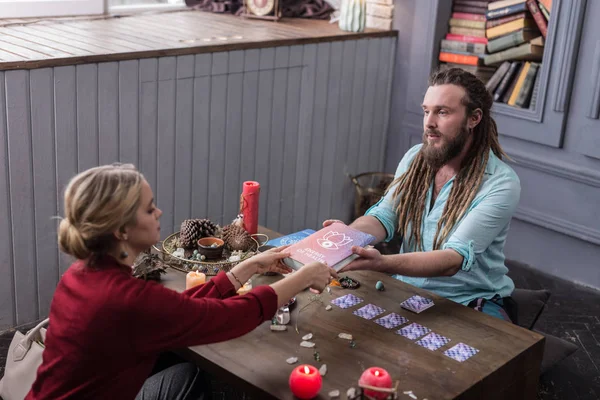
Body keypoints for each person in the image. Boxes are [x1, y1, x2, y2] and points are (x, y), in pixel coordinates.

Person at [27, 164, 336, 400]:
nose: (159, 212)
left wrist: (247, 267)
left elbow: (177, 309)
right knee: (197, 379)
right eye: (149, 209)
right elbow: (229, 319)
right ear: (121, 230)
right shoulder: (125, 300)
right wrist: (303, 277)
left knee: (186, 373)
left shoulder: (80, 275)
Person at [324, 68, 520, 323]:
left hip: (469, 300)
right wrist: (347, 239)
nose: (429, 122)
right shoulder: (416, 157)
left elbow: (452, 260)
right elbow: (384, 216)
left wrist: (381, 262)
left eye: (442, 112)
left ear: (474, 118)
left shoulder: (501, 183)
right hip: (409, 290)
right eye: (426, 111)